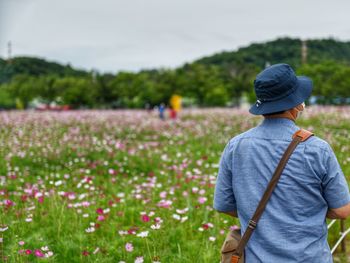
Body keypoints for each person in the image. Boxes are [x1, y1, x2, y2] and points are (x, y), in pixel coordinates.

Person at [213, 63, 350, 262]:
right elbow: (342, 210)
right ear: (296, 104)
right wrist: (307, 211)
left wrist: (264, 216)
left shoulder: (236, 146)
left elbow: (223, 205)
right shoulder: (317, 149)